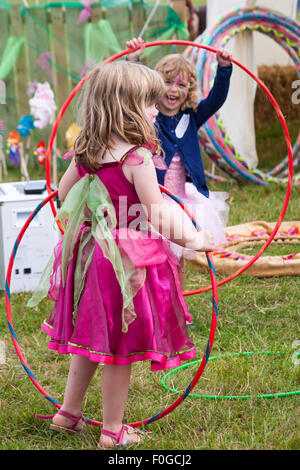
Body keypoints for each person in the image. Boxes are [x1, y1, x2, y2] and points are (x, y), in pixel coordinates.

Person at [28, 61, 215, 449]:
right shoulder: (137, 158)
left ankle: (68, 413)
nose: (155, 109)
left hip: (90, 253)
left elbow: (63, 194)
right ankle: (113, 432)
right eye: (149, 102)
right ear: (128, 107)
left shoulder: (88, 150)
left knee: (92, 339)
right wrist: (196, 239)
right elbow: (157, 212)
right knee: (119, 349)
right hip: (125, 261)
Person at [125, 38, 232, 292]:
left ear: (189, 89)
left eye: (181, 84)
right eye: (167, 82)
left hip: (183, 200)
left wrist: (224, 69)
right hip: (153, 201)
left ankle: (179, 305)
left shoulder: (191, 117)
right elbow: (129, 91)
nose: (173, 89)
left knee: (179, 258)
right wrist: (133, 61)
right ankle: (153, 302)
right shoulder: (147, 117)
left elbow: (216, 99)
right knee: (152, 257)